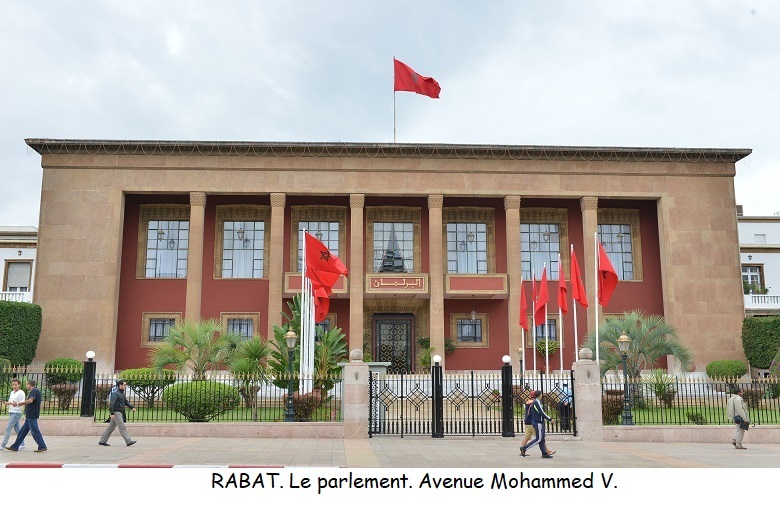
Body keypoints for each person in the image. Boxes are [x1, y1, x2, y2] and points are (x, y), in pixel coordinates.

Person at [4, 379, 47, 452]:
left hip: (32, 415)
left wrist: (18, 404)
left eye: (27, 384)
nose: (26, 386)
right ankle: (15, 446)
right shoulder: (34, 391)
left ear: (29, 385)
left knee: (35, 431)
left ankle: (42, 446)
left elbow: (30, 401)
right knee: (22, 432)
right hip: (29, 415)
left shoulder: (34, 391)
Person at [99, 379, 137, 447]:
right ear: (120, 385)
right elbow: (112, 404)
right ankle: (128, 441)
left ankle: (102, 441)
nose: (125, 386)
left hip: (119, 412)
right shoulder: (115, 394)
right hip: (117, 413)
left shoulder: (121, 394)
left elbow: (126, 402)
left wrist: (132, 407)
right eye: (124, 385)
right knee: (122, 427)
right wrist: (112, 413)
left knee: (111, 428)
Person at [520, 390, 555, 457]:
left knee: (540, 438)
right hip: (537, 422)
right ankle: (524, 448)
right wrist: (550, 419)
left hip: (535, 422)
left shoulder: (533, 402)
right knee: (539, 439)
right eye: (541, 394)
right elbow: (541, 413)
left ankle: (544, 453)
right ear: (540, 395)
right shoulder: (536, 402)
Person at [2, 379, 26, 450]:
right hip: (11, 412)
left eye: (16, 385)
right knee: (17, 429)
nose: (14, 386)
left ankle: (3, 445)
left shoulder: (21, 392)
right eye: (13, 385)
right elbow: (11, 402)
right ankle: (22, 443)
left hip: (16, 412)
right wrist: (6, 403)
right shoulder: (12, 392)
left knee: (8, 428)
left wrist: (15, 404)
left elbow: (22, 403)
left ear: (19, 384)